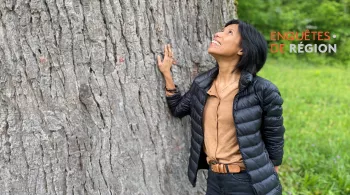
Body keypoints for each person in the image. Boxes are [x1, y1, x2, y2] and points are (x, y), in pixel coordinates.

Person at [157, 19, 285, 195]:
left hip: (247, 181)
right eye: (221, 31)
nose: (218, 34)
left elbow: (274, 138)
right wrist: (167, 74)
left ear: (243, 49)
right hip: (215, 180)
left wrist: (268, 179)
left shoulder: (263, 90)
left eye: (229, 33)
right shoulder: (202, 84)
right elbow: (178, 109)